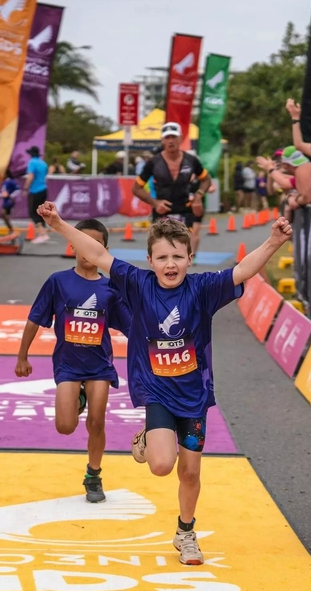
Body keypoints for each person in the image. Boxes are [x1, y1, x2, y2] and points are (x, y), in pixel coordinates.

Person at [35, 201, 293, 565]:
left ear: (190, 258)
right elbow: (97, 251)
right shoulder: (137, 284)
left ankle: (186, 533)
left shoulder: (203, 289)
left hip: (195, 395)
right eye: (161, 257)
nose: (170, 264)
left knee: (190, 471)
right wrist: (59, 223)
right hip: (156, 390)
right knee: (160, 465)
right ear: (150, 261)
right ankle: (147, 436)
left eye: (177, 256)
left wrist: (273, 242)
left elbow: (241, 271)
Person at [15, 219, 132, 504]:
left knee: (97, 422)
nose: (88, 253)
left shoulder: (110, 289)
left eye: (95, 248)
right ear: (72, 246)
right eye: (82, 245)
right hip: (68, 364)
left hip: (99, 366)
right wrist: (22, 356)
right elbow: (34, 319)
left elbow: (133, 328)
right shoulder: (58, 281)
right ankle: (77, 399)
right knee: (65, 427)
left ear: (104, 251)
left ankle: (93, 474)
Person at [132, 122, 211, 261]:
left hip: (184, 209)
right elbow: (136, 188)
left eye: (173, 137)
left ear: (180, 138)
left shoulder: (191, 160)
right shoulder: (153, 162)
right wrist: (155, 202)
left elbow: (206, 180)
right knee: (161, 248)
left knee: (183, 249)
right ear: (162, 140)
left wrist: (198, 196)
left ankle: (185, 280)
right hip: (162, 209)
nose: (170, 141)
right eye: (167, 137)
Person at [24, 146, 50, 243]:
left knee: (33, 212)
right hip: (43, 188)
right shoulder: (43, 163)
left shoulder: (32, 162)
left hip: (35, 190)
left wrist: (26, 187)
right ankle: (43, 232)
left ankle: (42, 233)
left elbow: (31, 176)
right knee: (40, 211)